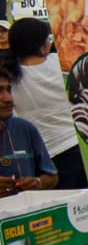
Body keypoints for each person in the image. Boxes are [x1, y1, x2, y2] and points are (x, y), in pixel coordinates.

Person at [7, 18, 87, 190]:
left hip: (44, 153)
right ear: (41, 43)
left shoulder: (10, 74)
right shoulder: (59, 63)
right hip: (79, 143)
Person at [0, 68, 57, 196]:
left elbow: (52, 177)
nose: (8, 98)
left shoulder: (25, 128)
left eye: (8, 90)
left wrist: (37, 182)